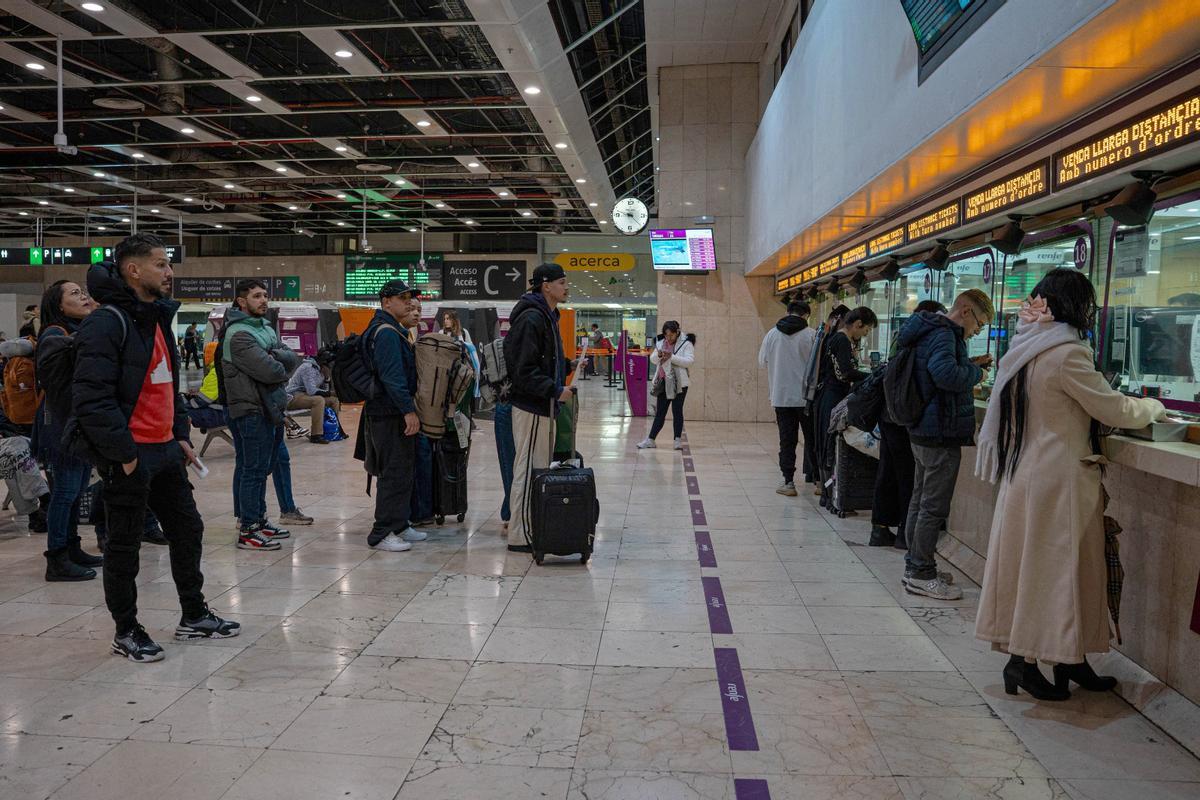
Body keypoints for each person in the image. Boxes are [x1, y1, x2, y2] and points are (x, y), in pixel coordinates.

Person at [975, 269, 1166, 700]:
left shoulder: (1025, 350)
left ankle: (1068, 658)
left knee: (1040, 571)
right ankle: (1025, 662)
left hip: (1027, 475)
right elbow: (1114, 409)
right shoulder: (1067, 355)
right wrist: (1153, 406)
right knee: (1057, 574)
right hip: (1058, 484)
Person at [73, 233, 239, 662]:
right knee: (125, 546)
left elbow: (166, 381)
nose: (169, 273)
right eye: (161, 264)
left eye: (169, 265)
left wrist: (181, 431)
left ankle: (194, 614)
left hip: (166, 449)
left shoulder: (157, 317)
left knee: (188, 529)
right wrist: (124, 453)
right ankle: (126, 630)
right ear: (133, 270)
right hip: (131, 455)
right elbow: (92, 398)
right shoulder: (107, 322)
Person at [895, 288, 994, 601]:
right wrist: (976, 372)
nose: (977, 330)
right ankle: (920, 573)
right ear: (965, 311)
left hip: (922, 429)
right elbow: (944, 374)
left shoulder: (929, 329)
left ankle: (915, 565)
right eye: (978, 324)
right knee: (932, 507)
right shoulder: (945, 334)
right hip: (939, 432)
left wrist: (968, 362)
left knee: (920, 500)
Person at [219, 279, 301, 550]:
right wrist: (280, 360)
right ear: (241, 301)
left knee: (260, 469)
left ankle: (259, 519)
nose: (264, 300)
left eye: (265, 295)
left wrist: (276, 356)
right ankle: (248, 528)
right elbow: (273, 371)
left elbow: (293, 358)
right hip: (251, 409)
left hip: (271, 407)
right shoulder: (238, 333)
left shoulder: (264, 327)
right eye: (256, 296)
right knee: (252, 470)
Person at [34, 280, 104, 580]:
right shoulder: (55, 334)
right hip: (61, 425)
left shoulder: (75, 332)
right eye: (75, 294)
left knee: (75, 491)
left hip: (76, 423)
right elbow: (53, 381)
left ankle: (72, 547)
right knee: (64, 492)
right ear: (59, 305)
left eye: (83, 291)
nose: (84, 297)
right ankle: (57, 557)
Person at [503, 263, 574, 554]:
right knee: (527, 468)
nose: (566, 287)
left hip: (543, 406)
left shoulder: (547, 316)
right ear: (546, 285)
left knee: (537, 469)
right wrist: (555, 389)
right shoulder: (532, 318)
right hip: (531, 406)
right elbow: (523, 370)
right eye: (562, 282)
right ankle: (520, 534)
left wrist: (566, 367)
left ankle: (531, 526)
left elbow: (542, 361)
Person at [356, 279, 428, 552]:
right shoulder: (385, 332)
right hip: (388, 413)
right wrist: (408, 411)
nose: (409, 302)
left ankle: (399, 524)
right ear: (386, 302)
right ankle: (381, 532)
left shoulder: (395, 330)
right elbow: (392, 378)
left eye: (410, 297)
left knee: (403, 471)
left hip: (391, 411)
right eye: (403, 297)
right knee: (393, 472)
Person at [871, 299, 946, 549]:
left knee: (888, 471)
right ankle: (905, 533)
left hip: (889, 412)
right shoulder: (928, 338)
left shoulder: (901, 335)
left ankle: (879, 530)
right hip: (906, 415)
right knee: (908, 476)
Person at [813, 306, 877, 504]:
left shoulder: (842, 340)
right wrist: (872, 376)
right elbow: (845, 372)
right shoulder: (841, 340)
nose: (865, 335)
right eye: (866, 330)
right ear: (858, 324)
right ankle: (828, 494)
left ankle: (829, 493)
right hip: (832, 397)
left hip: (832, 396)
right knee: (829, 444)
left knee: (830, 444)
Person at [758, 300, 817, 495]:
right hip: (806, 398)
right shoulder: (810, 335)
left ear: (787, 312)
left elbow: (762, 361)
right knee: (812, 438)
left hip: (781, 397)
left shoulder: (772, 334)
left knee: (787, 441)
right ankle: (817, 482)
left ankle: (789, 482)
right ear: (806, 315)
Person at [637, 321, 696, 451]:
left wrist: (672, 357)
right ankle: (651, 440)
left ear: (677, 332)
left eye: (671, 335)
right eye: (666, 335)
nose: (668, 338)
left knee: (677, 411)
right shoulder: (660, 342)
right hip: (663, 381)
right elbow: (653, 359)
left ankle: (677, 440)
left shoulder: (686, 343)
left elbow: (689, 362)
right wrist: (658, 356)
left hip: (679, 383)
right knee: (660, 412)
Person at [286, 347, 341, 444]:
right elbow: (312, 391)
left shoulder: (321, 370)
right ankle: (316, 435)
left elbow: (324, 391)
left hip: (306, 395)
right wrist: (331, 392)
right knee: (318, 400)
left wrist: (327, 379)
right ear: (323, 363)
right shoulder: (308, 367)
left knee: (334, 400)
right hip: (293, 396)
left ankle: (333, 430)